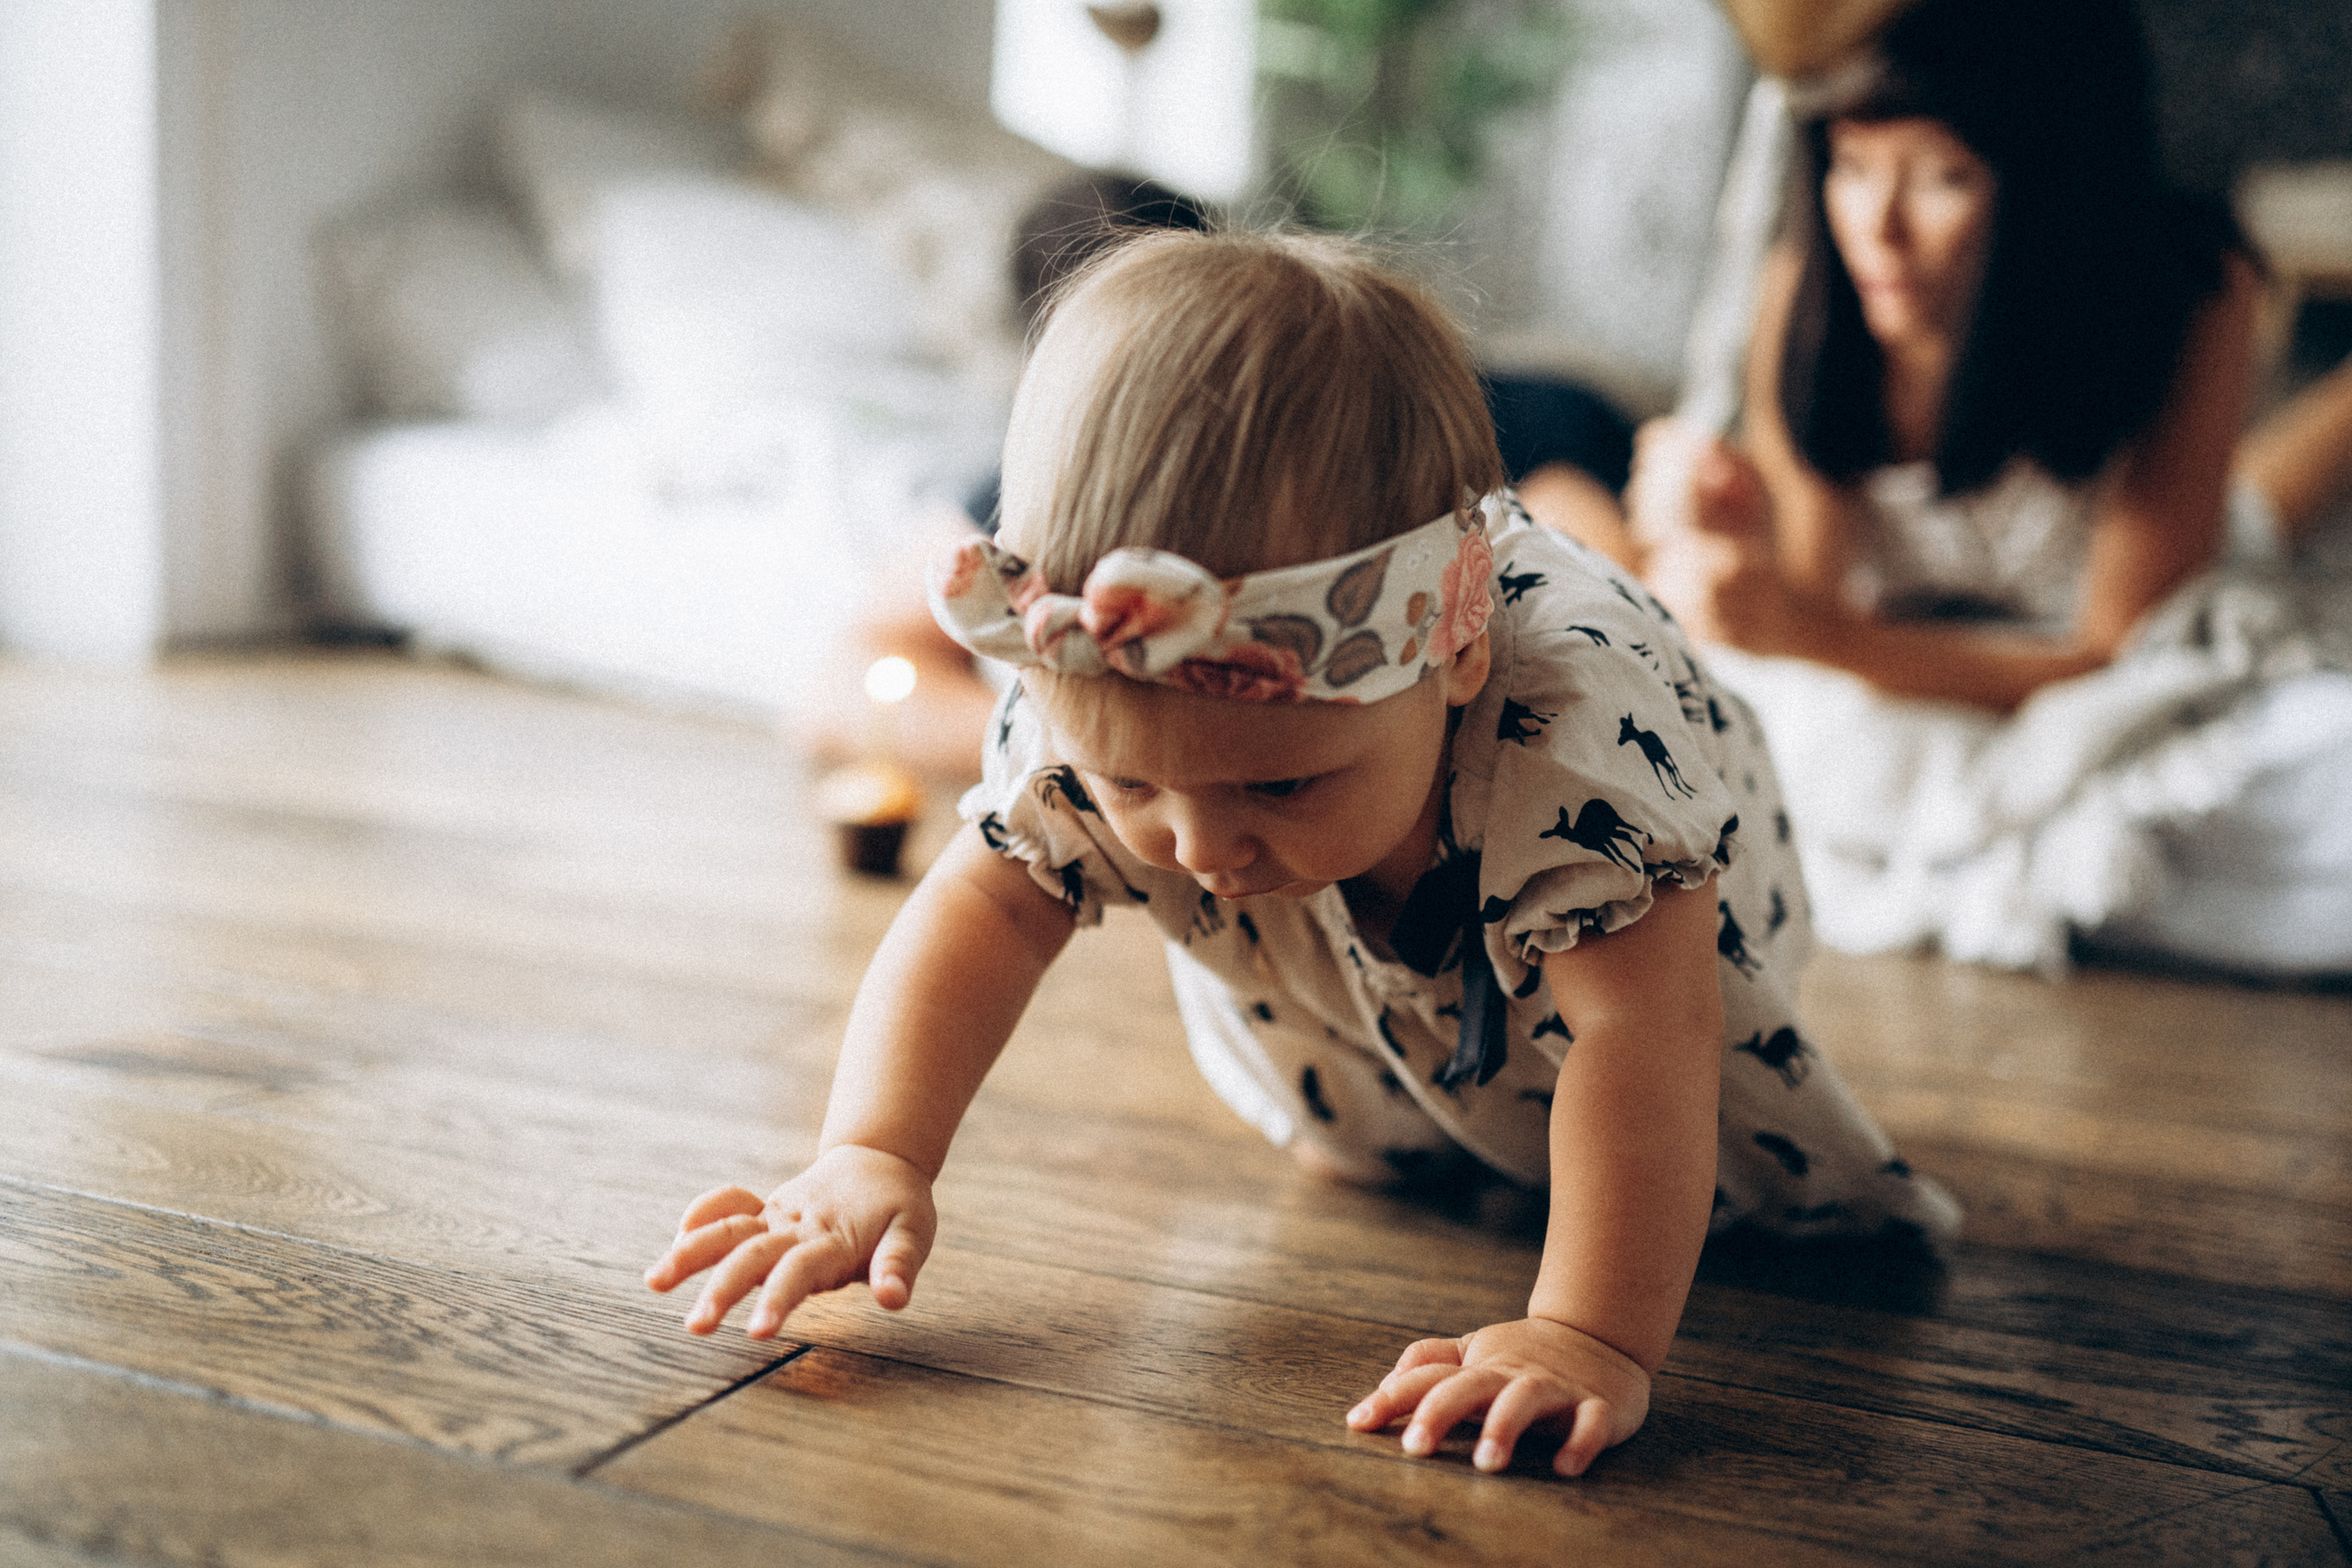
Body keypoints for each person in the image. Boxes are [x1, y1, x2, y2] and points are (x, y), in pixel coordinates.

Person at [646, 230, 1957, 1478]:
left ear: (1452, 643)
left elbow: (1645, 1038)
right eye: (1134, 781)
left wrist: (1586, 1331)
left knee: (1618, 1072)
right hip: (1352, 988)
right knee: (1353, 1052)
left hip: (1663, 974)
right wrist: (872, 1149)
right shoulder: (1094, 675)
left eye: (1278, 775)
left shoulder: (1580, 725)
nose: (1201, 844)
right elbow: (987, 902)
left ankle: (1549, 1187)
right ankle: (1404, 1102)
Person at [1626, 0, 2352, 975]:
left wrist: (1810, 635)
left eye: (1943, 177)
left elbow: (2112, 655)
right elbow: (1816, 604)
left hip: (2136, 623)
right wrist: (1733, 535)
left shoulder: (2187, 289)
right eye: (1849, 167)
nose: (1876, 230)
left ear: (2048, 183)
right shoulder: (1809, 297)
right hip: (1912, 667)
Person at [830, 173, 1641, 782]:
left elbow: (1602, 606)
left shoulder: (1517, 423)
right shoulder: (1031, 489)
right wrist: (1106, 750)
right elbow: (843, 681)